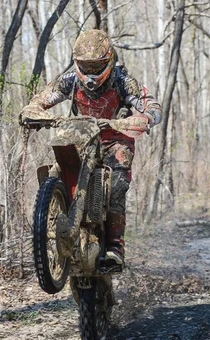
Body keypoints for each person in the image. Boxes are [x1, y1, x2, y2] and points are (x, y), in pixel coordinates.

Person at [20, 29, 162, 267]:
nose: (91, 73)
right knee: (59, 164)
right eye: (86, 66)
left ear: (108, 61)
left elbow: (151, 104)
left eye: (97, 67)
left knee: (117, 183)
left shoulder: (122, 81)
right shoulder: (69, 80)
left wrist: (146, 117)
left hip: (115, 137)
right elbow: (41, 98)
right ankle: (54, 207)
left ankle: (116, 245)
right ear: (77, 63)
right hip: (80, 136)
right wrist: (31, 112)